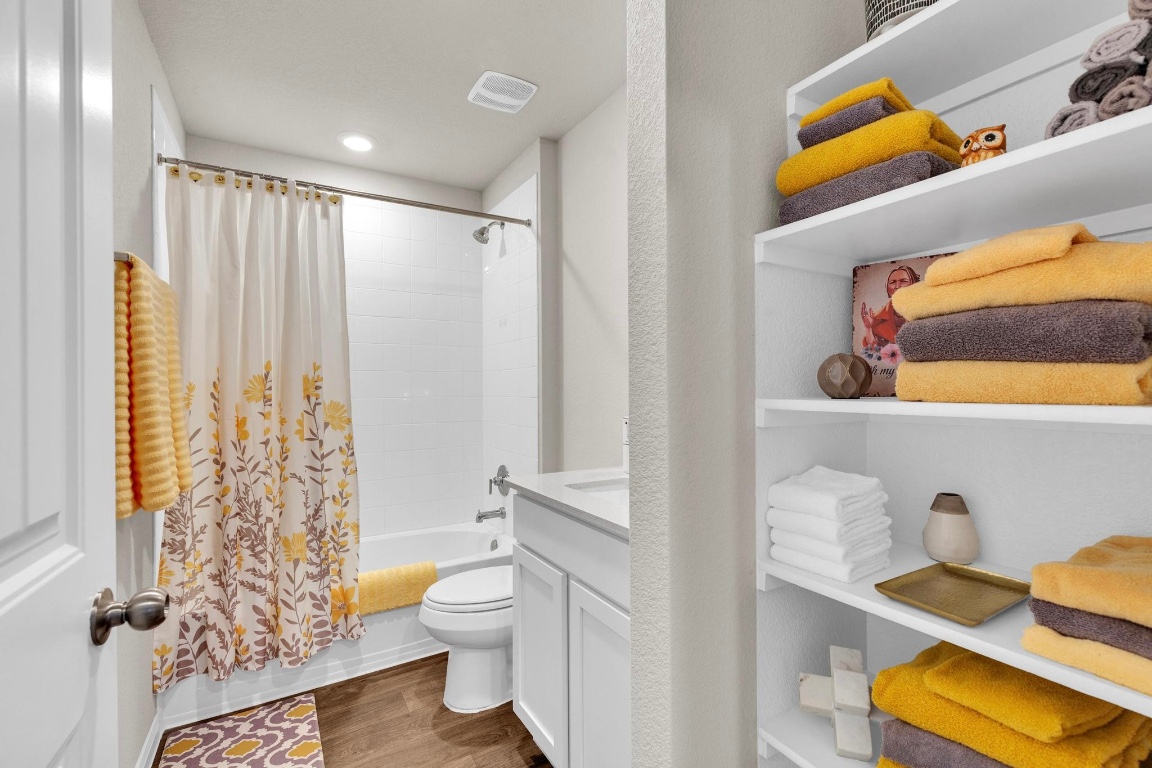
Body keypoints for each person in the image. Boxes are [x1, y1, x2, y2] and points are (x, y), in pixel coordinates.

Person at [861, 265, 919, 349]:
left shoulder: (925, 315)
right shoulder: (875, 319)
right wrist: (868, 328)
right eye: (892, 282)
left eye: (903, 281)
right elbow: (872, 353)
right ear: (887, 288)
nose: (897, 286)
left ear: (914, 284)